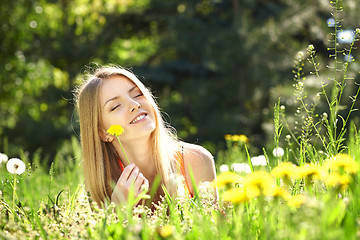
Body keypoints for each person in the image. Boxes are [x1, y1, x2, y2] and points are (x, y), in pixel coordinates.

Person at [74, 64, 217, 208]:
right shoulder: (100, 186)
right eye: (115, 106)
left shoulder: (195, 161)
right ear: (102, 132)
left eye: (137, 94)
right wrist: (118, 210)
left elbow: (213, 229)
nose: (134, 104)